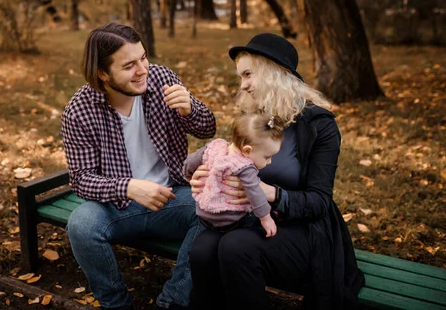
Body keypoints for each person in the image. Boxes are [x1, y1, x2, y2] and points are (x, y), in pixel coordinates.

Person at [188, 33, 365, 310]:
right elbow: (231, 160)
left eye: (248, 74)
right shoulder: (255, 120)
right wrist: (205, 176)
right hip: (247, 219)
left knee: (236, 248)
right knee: (202, 250)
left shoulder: (320, 126)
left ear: (274, 73)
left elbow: (319, 201)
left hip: (303, 230)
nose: (243, 85)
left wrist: (269, 193)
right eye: (240, 77)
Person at [61, 23, 216, 310]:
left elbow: (207, 128)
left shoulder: (161, 80)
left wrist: (190, 109)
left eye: (143, 58)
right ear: (103, 73)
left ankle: (171, 302)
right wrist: (130, 187)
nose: (143, 69)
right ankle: (116, 304)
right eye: (129, 65)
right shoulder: (80, 110)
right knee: (81, 224)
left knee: (217, 208)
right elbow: (81, 180)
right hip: (117, 208)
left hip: (172, 197)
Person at [183, 112, 284, 237]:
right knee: (251, 218)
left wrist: (188, 176)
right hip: (231, 218)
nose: (269, 162)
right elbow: (255, 192)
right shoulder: (244, 167)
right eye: (267, 157)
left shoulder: (213, 147)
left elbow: (190, 161)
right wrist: (266, 218)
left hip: (205, 214)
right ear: (247, 150)